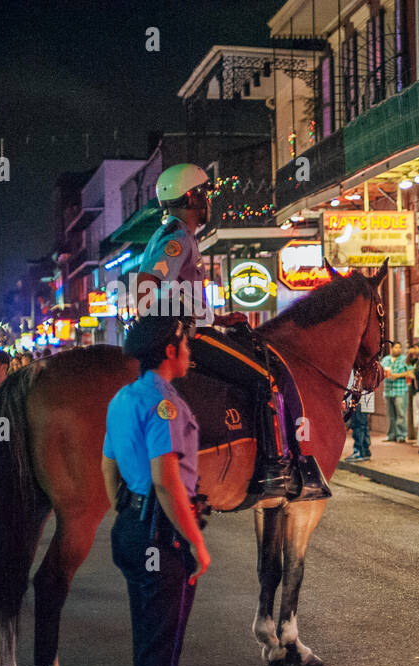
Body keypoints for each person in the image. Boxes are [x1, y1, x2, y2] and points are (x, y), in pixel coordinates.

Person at [134, 162, 327, 502]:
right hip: (193, 338)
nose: (209, 201)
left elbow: (179, 293)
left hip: (198, 328)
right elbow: (147, 287)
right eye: (204, 194)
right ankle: (274, 469)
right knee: (266, 379)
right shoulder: (177, 237)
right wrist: (178, 327)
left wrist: (218, 318)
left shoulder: (173, 234)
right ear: (192, 198)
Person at [101, 314, 218, 666]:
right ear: (168, 351)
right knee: (158, 654)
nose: (190, 349)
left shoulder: (123, 397)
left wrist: (128, 513)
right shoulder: (163, 403)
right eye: (185, 342)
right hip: (162, 534)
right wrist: (196, 540)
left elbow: (109, 465)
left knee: (157, 649)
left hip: (134, 527)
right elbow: (167, 479)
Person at [380, 341, 410, 443]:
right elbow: (379, 371)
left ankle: (401, 435)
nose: (398, 350)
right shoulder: (386, 360)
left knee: (401, 414)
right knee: (390, 414)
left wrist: (397, 375)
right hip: (388, 390)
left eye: (399, 348)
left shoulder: (405, 360)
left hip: (400, 390)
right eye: (396, 347)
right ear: (392, 348)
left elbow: (410, 372)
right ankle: (391, 435)